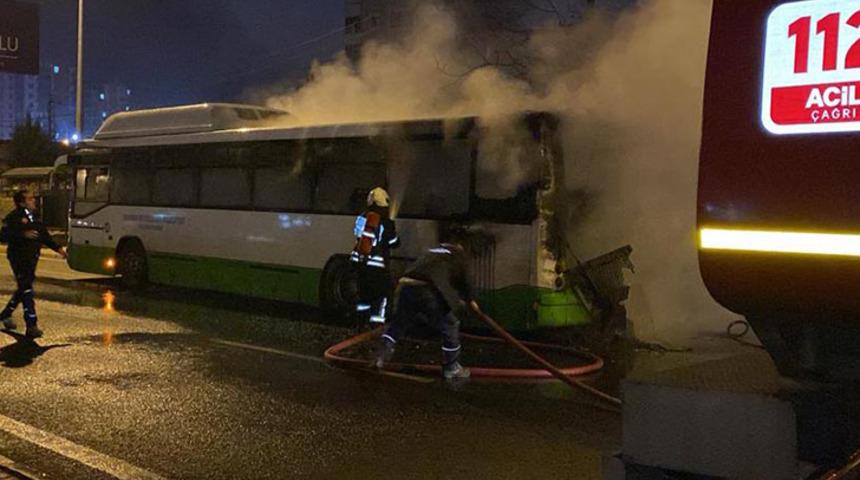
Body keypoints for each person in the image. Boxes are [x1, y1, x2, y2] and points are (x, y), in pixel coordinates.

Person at [374, 226, 482, 381]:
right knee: (450, 324)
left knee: (398, 323)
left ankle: (380, 357)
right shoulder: (458, 254)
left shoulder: (433, 251)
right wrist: (472, 301)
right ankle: (451, 368)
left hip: (405, 287)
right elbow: (465, 283)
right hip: (427, 290)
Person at [0, 190, 67, 338]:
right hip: (19, 258)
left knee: (23, 288)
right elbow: (3, 235)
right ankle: (31, 324)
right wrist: (22, 234)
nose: (34, 201)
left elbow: (44, 236)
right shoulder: (13, 217)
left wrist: (59, 249)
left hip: (32, 258)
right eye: (30, 199)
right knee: (26, 290)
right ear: (22, 202)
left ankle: (5, 314)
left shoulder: (35, 217)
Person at [351, 187, 399, 324]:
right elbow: (394, 243)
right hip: (377, 266)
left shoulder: (361, 217)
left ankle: (360, 323)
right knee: (383, 294)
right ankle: (376, 325)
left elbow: (358, 236)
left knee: (363, 295)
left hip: (360, 263)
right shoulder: (387, 222)